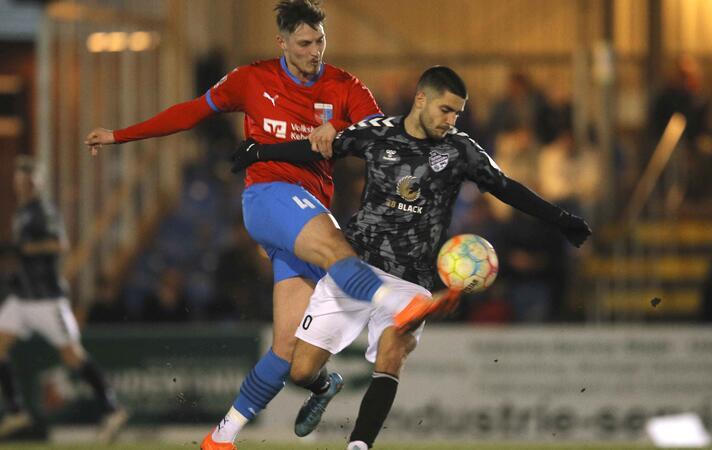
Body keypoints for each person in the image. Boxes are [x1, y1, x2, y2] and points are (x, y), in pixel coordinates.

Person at [83, 2, 451, 448]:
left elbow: (382, 140)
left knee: (289, 354)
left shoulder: (344, 87)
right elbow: (191, 112)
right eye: (304, 43)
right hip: (268, 198)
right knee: (341, 253)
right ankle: (398, 302)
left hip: (305, 219)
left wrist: (347, 137)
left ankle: (225, 434)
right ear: (282, 43)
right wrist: (120, 135)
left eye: (320, 41)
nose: (315, 51)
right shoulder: (251, 79)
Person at [231, 66, 592, 449]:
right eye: (446, 110)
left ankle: (358, 446)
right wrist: (263, 151)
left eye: (458, 113)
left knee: (392, 353)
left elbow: (506, 188)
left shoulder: (460, 150)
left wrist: (561, 219)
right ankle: (326, 385)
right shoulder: (377, 132)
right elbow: (321, 147)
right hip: (356, 266)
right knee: (301, 370)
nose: (451, 120)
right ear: (421, 99)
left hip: (411, 280)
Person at [0, 156, 128, 442]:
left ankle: (112, 408)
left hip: (46, 299)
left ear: (38, 182)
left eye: (30, 180)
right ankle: (15, 410)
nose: (25, 185)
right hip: (23, 298)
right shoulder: (22, 212)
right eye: (21, 179)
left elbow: (59, 243)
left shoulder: (42, 210)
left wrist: (25, 248)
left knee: (72, 356)